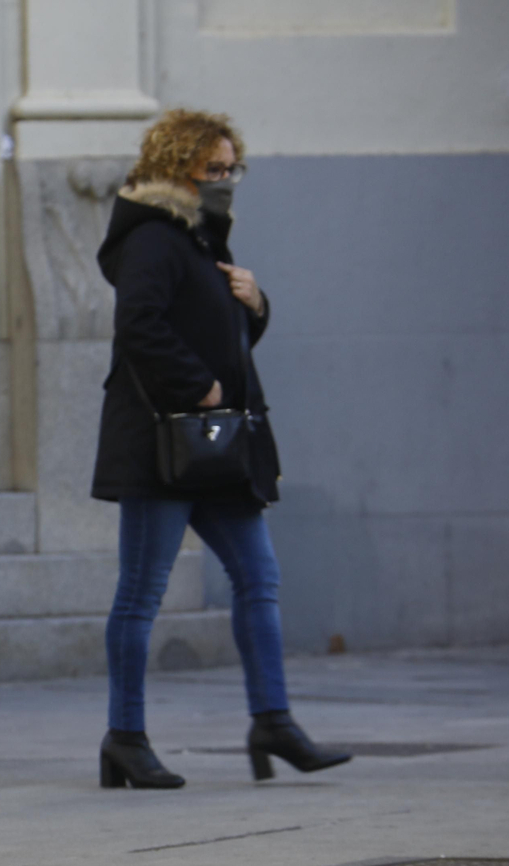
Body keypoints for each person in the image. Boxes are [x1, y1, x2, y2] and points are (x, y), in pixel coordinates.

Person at [90, 109, 351, 789]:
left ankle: (274, 722)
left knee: (258, 578)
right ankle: (125, 737)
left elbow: (219, 336)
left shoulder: (204, 240)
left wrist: (256, 303)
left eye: (234, 168)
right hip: (162, 445)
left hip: (215, 449)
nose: (228, 180)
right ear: (178, 167)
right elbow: (139, 326)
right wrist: (196, 384)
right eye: (216, 169)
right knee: (141, 594)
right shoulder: (153, 237)